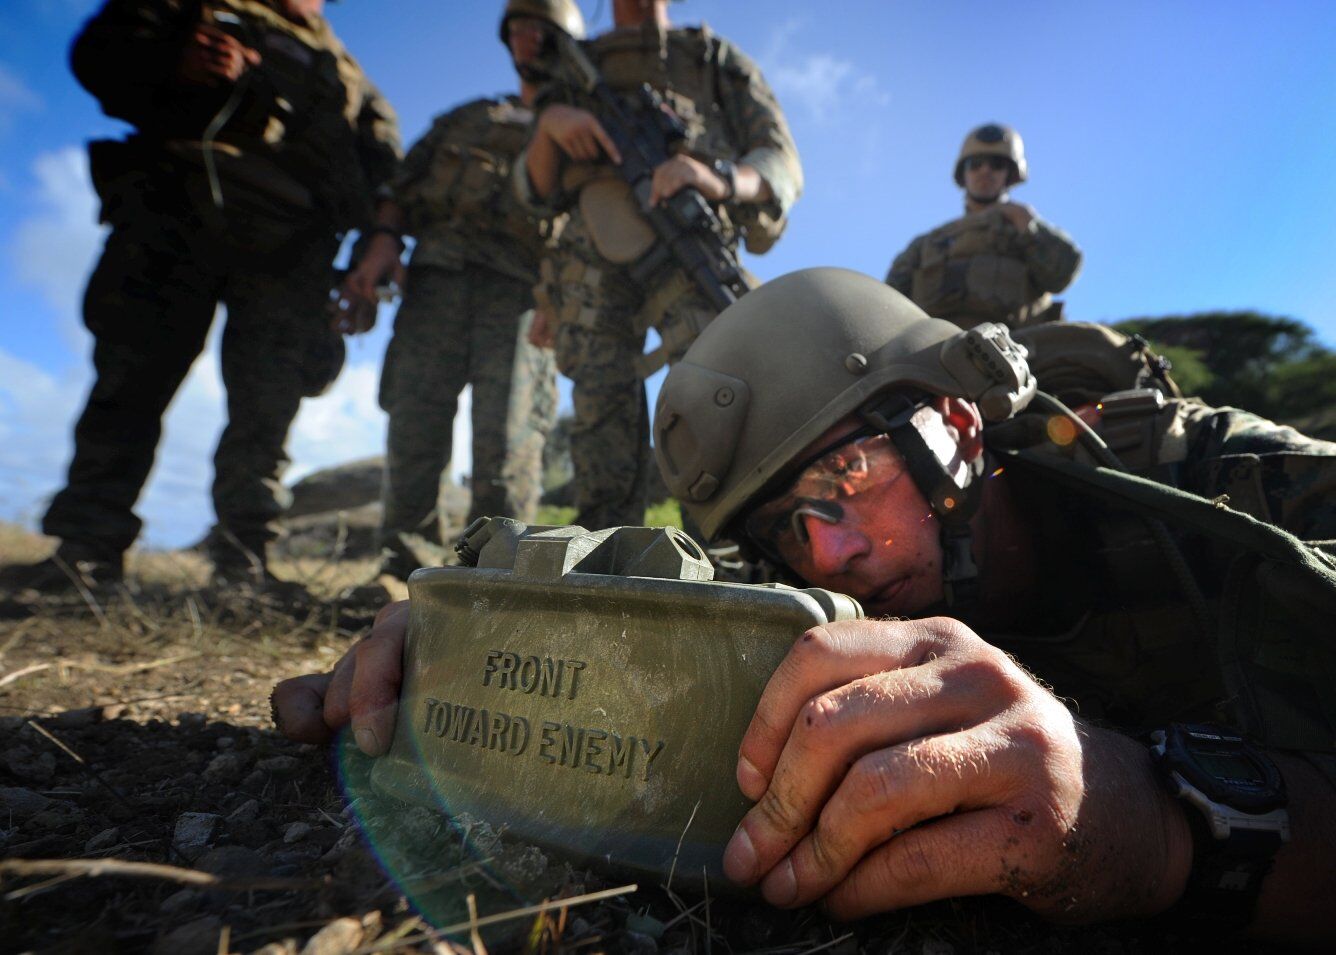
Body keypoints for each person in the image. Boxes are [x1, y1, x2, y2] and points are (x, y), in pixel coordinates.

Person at [274, 269, 1335, 943]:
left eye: (851, 476)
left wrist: (1169, 822)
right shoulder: (835, 590)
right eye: (782, 527)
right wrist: (486, 629)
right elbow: (666, 606)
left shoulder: (1221, 488)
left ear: (956, 427)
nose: (830, 552)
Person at [0, 0, 400, 595]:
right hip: (174, 211)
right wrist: (174, 58)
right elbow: (98, 52)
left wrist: (378, 248)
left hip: (292, 248)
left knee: (267, 408)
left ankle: (244, 563)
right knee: (130, 382)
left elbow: (386, 170)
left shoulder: (347, 72)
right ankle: (85, 553)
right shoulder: (196, 6)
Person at [515, 0, 802, 531]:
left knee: (715, 394)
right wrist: (550, 124)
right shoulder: (575, 65)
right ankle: (603, 557)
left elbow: (780, 163)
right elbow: (532, 192)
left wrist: (717, 177)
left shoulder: (713, 57)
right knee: (598, 403)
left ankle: (719, 546)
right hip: (589, 254)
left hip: (690, 239)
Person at [335, 0, 580, 586]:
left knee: (510, 442)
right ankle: (403, 577)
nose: (528, 41)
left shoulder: (582, 126)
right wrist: (382, 244)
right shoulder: (467, 118)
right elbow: (399, 188)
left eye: (541, 31)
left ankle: (493, 584)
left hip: (525, 294)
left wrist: (560, 299)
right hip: (438, 281)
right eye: (517, 30)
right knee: (415, 425)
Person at [886, 123, 1081, 330]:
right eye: (975, 164)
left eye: (996, 164)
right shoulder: (929, 243)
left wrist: (1030, 229)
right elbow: (887, 303)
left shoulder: (1025, 227)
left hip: (1018, 349)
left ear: (1010, 174)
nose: (985, 171)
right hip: (930, 349)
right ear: (964, 173)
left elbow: (1061, 275)